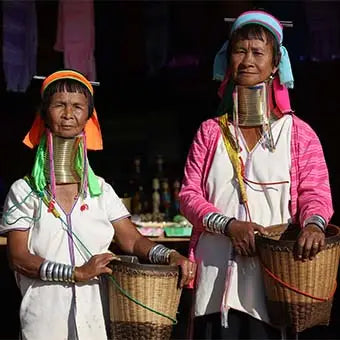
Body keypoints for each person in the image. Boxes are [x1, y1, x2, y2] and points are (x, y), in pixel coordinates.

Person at [0, 70, 196, 340]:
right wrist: (76, 273)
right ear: (44, 114)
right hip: (43, 323)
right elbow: (18, 257)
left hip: (97, 322)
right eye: (59, 105)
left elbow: (132, 241)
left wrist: (170, 255)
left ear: (88, 119)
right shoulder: (24, 191)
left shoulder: (100, 191)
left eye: (78, 106)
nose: (68, 113)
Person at [179, 10, 333, 340]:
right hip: (215, 284)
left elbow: (316, 192)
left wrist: (314, 224)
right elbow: (189, 196)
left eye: (258, 52)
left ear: (276, 65)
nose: (248, 60)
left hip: (275, 285)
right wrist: (228, 226)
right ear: (228, 59)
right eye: (240, 51)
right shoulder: (210, 132)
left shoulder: (297, 134)